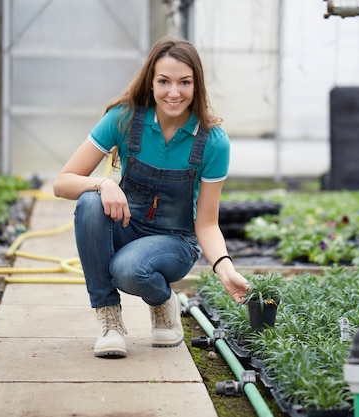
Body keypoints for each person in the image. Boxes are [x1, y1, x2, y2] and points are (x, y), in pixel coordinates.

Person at [53, 37, 249, 358]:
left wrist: (224, 268)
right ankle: (109, 319)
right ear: (151, 82)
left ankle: (162, 301)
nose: (174, 92)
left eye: (184, 82)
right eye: (164, 81)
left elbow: (208, 223)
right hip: (128, 226)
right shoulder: (125, 119)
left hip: (175, 242)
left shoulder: (213, 142)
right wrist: (103, 183)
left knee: (129, 269)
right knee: (89, 202)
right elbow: (62, 183)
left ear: (196, 85)